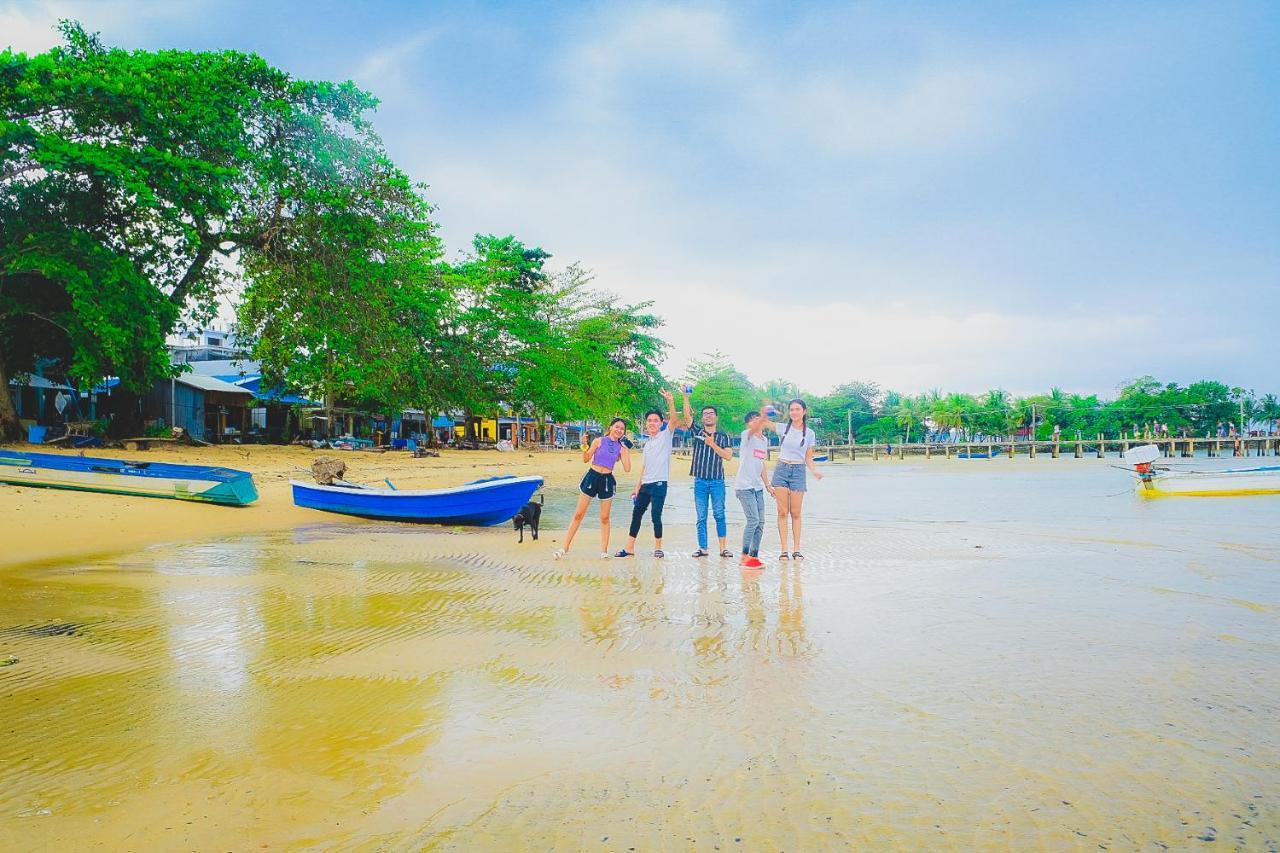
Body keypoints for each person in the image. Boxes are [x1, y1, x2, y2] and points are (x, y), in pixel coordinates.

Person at [616, 389, 688, 558]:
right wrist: (637, 487)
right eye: (649, 421)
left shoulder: (666, 436)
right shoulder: (647, 444)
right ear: (646, 424)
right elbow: (644, 468)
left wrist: (670, 401)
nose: (652, 423)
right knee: (636, 515)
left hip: (659, 485)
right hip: (645, 485)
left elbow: (675, 420)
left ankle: (658, 547)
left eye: (655, 420)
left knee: (656, 515)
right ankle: (629, 548)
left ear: (661, 423)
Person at [554, 418, 631, 559]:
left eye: (622, 429)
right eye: (617, 427)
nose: (619, 430)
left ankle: (604, 551)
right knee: (578, 514)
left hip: (607, 480)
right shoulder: (598, 441)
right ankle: (565, 547)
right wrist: (584, 445)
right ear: (611, 427)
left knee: (604, 517)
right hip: (592, 477)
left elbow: (627, 468)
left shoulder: (621, 447)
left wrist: (626, 451)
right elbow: (586, 458)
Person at [761, 398, 823, 560]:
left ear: (804, 411)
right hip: (781, 469)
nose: (794, 412)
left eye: (797, 409)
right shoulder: (783, 428)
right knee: (782, 512)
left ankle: (796, 550)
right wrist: (766, 409)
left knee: (795, 512)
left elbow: (808, 458)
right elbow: (764, 422)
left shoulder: (810, 433)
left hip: (798, 471)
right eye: (792, 409)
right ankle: (784, 550)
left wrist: (815, 471)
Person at [689, 403, 733, 558]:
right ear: (702, 417)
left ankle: (723, 548)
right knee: (701, 516)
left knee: (719, 514)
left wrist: (712, 444)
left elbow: (728, 456)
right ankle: (703, 548)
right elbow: (687, 417)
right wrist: (686, 397)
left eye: (711, 413)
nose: (708, 415)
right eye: (705, 413)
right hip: (700, 481)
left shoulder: (724, 436)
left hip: (717, 481)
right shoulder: (697, 432)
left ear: (716, 417)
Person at [734, 410, 775, 568]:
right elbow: (752, 429)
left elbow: (761, 464)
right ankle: (744, 557)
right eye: (752, 420)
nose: (756, 422)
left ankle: (753, 556)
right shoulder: (747, 436)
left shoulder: (764, 440)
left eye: (758, 419)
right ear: (748, 424)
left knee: (761, 522)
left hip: (757, 487)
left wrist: (768, 485)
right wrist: (764, 416)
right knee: (753, 520)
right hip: (744, 487)